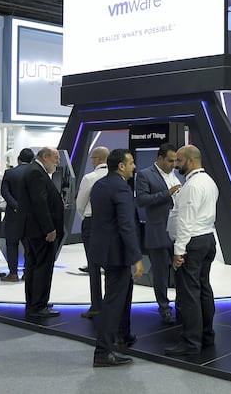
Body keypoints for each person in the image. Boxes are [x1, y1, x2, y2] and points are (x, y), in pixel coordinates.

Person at [89, 149, 144, 368]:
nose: (134, 167)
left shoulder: (100, 185)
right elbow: (126, 225)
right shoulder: (121, 188)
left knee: (115, 297)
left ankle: (122, 336)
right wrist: (136, 257)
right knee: (113, 302)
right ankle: (103, 351)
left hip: (102, 250)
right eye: (131, 163)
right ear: (121, 166)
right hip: (117, 253)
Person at [165, 145, 218, 356]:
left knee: (189, 295)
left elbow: (186, 221)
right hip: (206, 239)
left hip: (192, 243)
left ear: (191, 161)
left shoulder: (192, 186)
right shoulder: (209, 182)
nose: (175, 165)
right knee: (203, 289)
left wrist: (179, 251)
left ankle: (190, 342)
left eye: (179, 161)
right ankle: (206, 336)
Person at [135, 143, 182, 326]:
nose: (174, 164)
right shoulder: (145, 175)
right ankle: (164, 309)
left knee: (180, 272)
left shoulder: (177, 176)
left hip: (177, 232)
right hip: (157, 231)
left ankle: (181, 306)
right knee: (161, 274)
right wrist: (166, 193)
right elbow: (141, 200)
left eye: (176, 160)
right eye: (170, 160)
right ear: (160, 158)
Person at [20, 147, 64, 318]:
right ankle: (38, 305)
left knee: (33, 266)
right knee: (42, 268)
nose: (58, 162)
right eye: (55, 157)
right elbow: (40, 202)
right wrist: (49, 228)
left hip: (33, 230)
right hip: (41, 231)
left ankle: (34, 302)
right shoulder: (36, 173)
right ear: (45, 157)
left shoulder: (34, 171)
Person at [75, 146, 109, 318]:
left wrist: (86, 218)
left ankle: (96, 305)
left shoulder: (90, 178)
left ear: (96, 159)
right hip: (110, 224)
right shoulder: (116, 177)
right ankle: (111, 304)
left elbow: (80, 203)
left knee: (94, 265)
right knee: (111, 264)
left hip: (92, 222)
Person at [0, 148, 34, 282]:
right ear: (32, 160)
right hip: (30, 215)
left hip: (13, 215)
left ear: (19, 159)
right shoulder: (35, 173)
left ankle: (13, 273)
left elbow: (5, 192)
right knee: (29, 245)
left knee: (11, 244)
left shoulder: (9, 172)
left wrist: (16, 206)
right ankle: (28, 273)